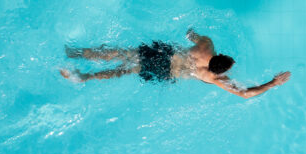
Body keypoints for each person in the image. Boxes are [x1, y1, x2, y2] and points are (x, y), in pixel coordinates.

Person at [61, 29, 291, 100]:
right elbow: (246, 94)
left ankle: (74, 52)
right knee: (124, 71)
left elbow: (191, 34)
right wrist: (272, 83)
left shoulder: (206, 45)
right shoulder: (213, 78)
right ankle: (83, 77)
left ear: (217, 55)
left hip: (165, 54)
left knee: (118, 53)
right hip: (167, 71)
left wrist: (190, 35)